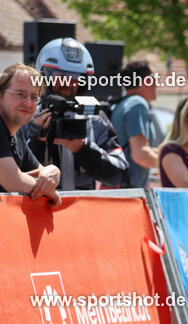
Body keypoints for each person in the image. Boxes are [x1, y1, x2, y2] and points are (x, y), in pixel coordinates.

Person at [22, 38, 129, 191]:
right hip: (38, 205)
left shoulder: (95, 118)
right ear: (44, 77)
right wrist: (37, 140)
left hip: (82, 205)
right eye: (60, 76)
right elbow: (12, 173)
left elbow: (119, 173)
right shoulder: (27, 115)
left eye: (75, 78)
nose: (67, 84)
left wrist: (83, 148)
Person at [0, 63, 61, 204]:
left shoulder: (16, 134)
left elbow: (40, 172)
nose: (28, 103)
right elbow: (14, 181)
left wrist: (54, 171)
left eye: (34, 97)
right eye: (20, 94)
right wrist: (50, 192)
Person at [111, 60, 160, 188]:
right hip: (128, 191)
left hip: (120, 188)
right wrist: (171, 163)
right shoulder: (138, 104)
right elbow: (140, 155)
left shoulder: (123, 103)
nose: (157, 83)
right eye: (155, 78)